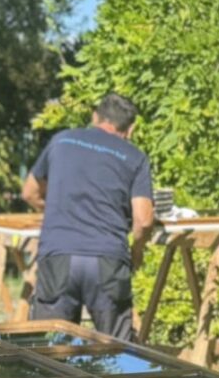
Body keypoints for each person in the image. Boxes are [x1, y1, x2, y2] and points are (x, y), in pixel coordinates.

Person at [20, 93, 157, 337]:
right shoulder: (135, 157)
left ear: (95, 117)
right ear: (131, 129)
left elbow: (30, 192)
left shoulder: (61, 141)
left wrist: (60, 211)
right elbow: (144, 220)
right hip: (107, 259)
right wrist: (137, 252)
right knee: (116, 348)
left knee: (50, 346)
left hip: (59, 255)